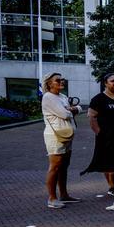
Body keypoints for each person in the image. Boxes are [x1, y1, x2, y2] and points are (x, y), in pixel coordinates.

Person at [41, 72, 82, 209]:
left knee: (64, 166)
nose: (61, 82)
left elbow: (78, 108)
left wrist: (72, 109)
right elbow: (65, 114)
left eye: (62, 80)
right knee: (55, 166)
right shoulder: (49, 97)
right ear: (49, 84)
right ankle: (52, 198)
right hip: (55, 136)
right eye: (57, 80)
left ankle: (64, 195)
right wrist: (71, 109)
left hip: (67, 134)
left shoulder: (62, 96)